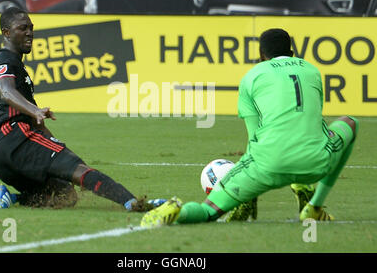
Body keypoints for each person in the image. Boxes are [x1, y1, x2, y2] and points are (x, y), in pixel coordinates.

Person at [141, 28, 358, 227]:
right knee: (350, 122)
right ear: (292, 52)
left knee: (208, 210)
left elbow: (254, 137)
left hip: (266, 165)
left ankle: (177, 211)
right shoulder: (312, 71)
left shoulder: (251, 77)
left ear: (262, 54)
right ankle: (315, 207)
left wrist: (247, 193)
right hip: (315, 163)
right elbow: (314, 122)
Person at [0, 7, 164, 211]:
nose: (29, 33)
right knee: (79, 171)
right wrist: (35, 110)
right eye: (22, 28)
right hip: (14, 139)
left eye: (31, 28)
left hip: (0, 158)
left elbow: (35, 123)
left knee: (66, 196)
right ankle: (134, 203)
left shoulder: (19, 68)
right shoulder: (3, 59)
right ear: (6, 33)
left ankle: (9, 197)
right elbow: (6, 91)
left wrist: (57, 145)